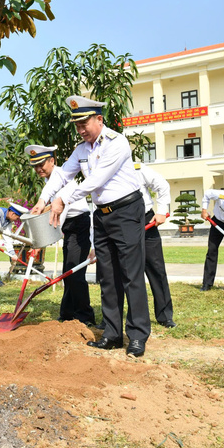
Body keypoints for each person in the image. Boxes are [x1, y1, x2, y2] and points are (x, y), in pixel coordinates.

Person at [32, 96, 149, 357]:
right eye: (77, 126)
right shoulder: (82, 149)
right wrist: (43, 201)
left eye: (85, 123)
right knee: (107, 277)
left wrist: (62, 199)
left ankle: (138, 335)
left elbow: (96, 180)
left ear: (99, 119)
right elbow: (62, 175)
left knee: (131, 275)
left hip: (127, 211)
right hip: (103, 215)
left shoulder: (117, 143)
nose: (82, 130)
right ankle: (112, 333)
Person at [24, 144, 95, 325]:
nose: (39, 169)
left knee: (74, 273)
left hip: (79, 225)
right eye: (35, 166)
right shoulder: (50, 181)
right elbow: (46, 205)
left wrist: (42, 242)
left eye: (42, 164)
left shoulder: (63, 175)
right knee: (68, 272)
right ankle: (67, 313)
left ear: (52, 160)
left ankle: (85, 316)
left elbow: (60, 211)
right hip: (70, 228)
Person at [135, 162, 176, 328]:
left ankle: (165, 315)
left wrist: (162, 210)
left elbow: (162, 185)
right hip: (122, 225)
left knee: (156, 268)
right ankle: (117, 319)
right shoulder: (103, 171)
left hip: (146, 221)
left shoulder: (136, 168)